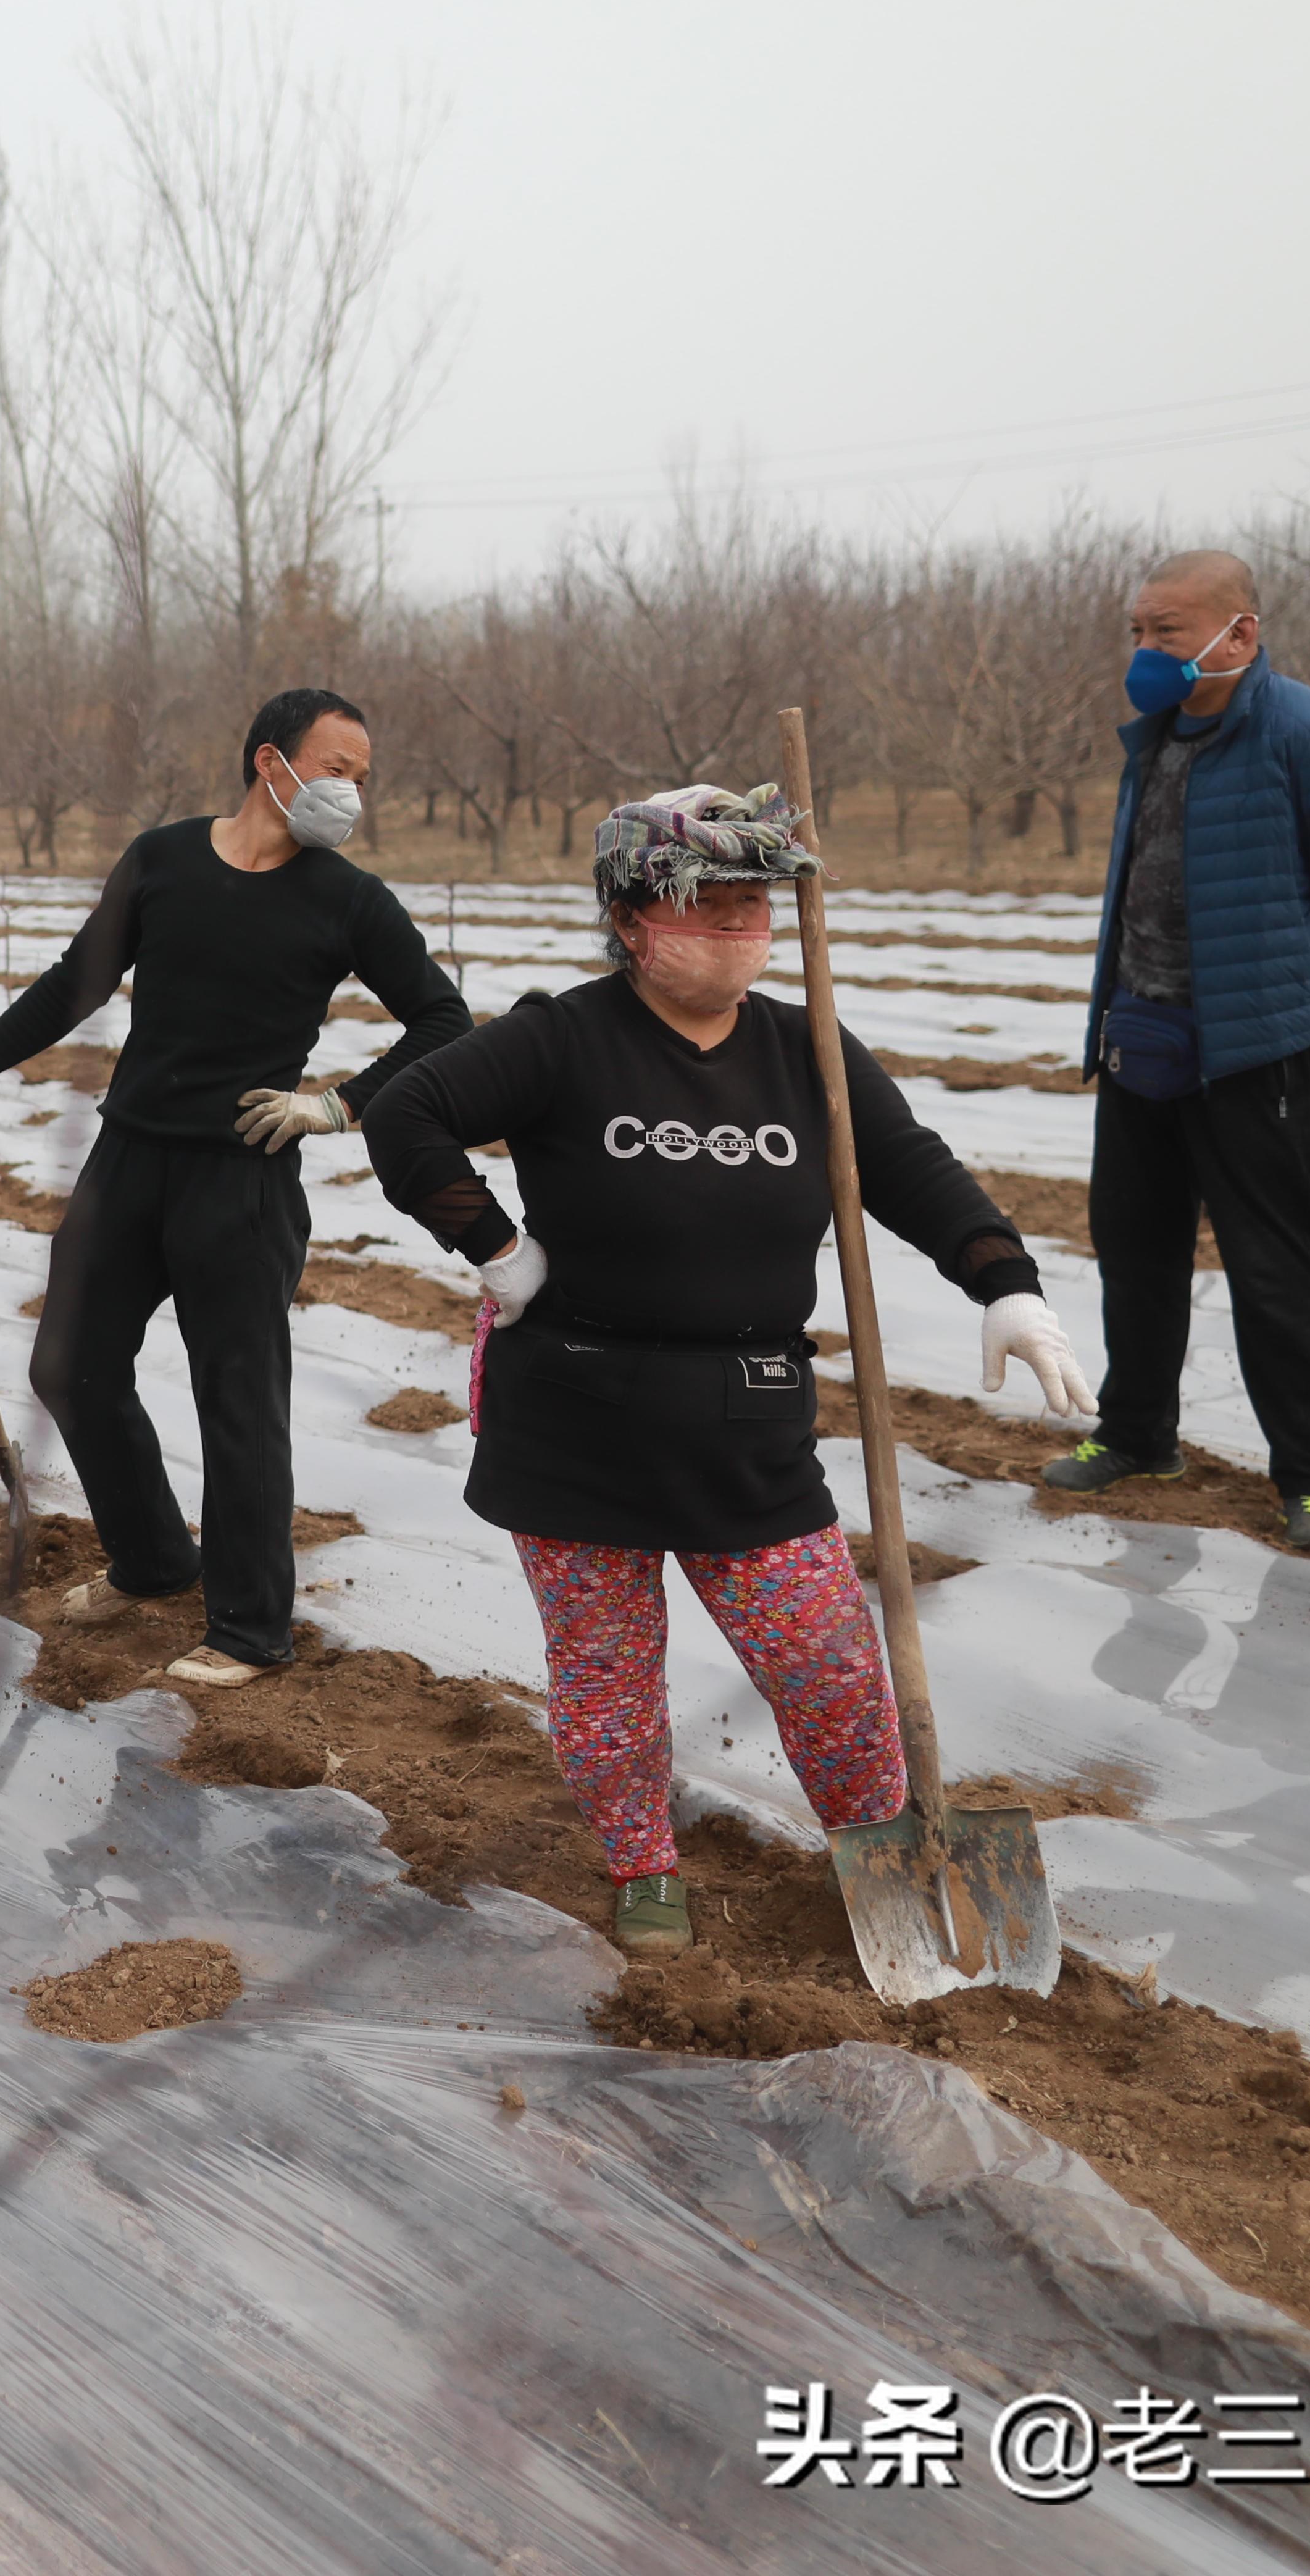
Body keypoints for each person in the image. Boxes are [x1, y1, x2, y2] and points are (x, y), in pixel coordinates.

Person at [359, 786, 1090, 1956]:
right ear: (633, 918)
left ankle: (889, 1851)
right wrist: (496, 1250)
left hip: (745, 1419)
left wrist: (1005, 1281)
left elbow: (910, 1168)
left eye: (757, 906)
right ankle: (642, 1863)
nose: (740, 928)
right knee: (605, 1678)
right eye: (712, 906)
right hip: (577, 1417)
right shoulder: (564, 1037)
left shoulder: (808, 1050)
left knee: (828, 1666)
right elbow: (407, 1113)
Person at [0, 689, 473, 1687]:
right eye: (338, 769)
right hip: (129, 1162)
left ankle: (251, 1629)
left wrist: (335, 1107)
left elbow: (442, 1021)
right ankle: (155, 1560)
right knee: (68, 1365)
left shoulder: (349, 900)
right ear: (269, 763)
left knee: (238, 1403)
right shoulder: (161, 860)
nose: (352, 793)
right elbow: (75, 983)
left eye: (363, 779)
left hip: (241, 1179)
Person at [1045, 548, 1310, 1553]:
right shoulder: (1155, 737)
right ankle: (1137, 1436)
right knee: (1136, 1252)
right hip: (1143, 1037)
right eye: (1138, 631)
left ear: (1238, 633)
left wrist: (1307, 991)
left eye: (1167, 629)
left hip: (1254, 1056)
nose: (1148, 648)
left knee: (1277, 1271)